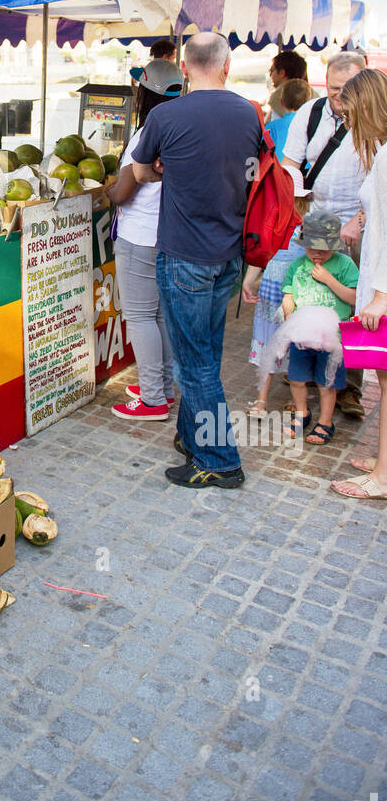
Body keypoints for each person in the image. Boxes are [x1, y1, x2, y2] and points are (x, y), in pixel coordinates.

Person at [132, 31, 262, 489]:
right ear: (226, 66)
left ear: (184, 68)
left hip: (185, 254)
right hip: (227, 255)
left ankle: (220, 459)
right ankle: (191, 437)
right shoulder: (248, 113)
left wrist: (165, 167)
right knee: (203, 352)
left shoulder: (167, 115)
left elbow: (141, 170)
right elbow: (252, 173)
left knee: (195, 364)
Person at [282, 50, 367, 418]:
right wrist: (297, 199)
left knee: (354, 306)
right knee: (310, 300)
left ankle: (349, 387)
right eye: (333, 89)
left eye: (346, 90)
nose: (339, 97)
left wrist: (359, 222)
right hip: (316, 223)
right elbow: (290, 163)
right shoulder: (311, 112)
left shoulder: (374, 119)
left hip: (359, 228)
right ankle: (305, 382)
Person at [108, 59, 184, 422]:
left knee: (140, 318)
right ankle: (163, 389)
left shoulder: (145, 134)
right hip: (167, 235)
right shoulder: (182, 128)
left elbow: (123, 192)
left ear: (145, 93)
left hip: (139, 237)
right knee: (160, 318)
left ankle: (153, 399)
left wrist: (107, 189)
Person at [330, 69, 387, 499]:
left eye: (350, 115)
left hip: (381, 287)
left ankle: (382, 477)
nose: (347, 124)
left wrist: (379, 297)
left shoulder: (386, 157)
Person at [280, 210, 358, 446]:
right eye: (312, 247)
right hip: (302, 336)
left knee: (327, 382)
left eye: (323, 248)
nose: (317, 253)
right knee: (296, 379)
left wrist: (329, 280)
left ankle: (325, 421)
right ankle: (302, 412)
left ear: (335, 245)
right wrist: (288, 315)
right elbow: (289, 295)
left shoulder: (344, 265)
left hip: (331, 338)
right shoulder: (297, 265)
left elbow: (354, 298)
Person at [242, 167, 312, 418]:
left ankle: (292, 398)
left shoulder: (306, 224)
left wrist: (250, 281)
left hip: (296, 292)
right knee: (272, 343)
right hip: (273, 292)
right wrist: (249, 282)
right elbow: (260, 255)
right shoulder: (271, 219)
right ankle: (263, 399)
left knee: (294, 345)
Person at [265, 78, 312, 160]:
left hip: (279, 170)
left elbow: (263, 153)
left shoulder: (271, 127)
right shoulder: (313, 126)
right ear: (308, 103)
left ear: (281, 102)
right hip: (305, 171)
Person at [266, 49, 309, 119]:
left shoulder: (278, 96)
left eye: (272, 70)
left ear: (282, 73)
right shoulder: (314, 95)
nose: (270, 75)